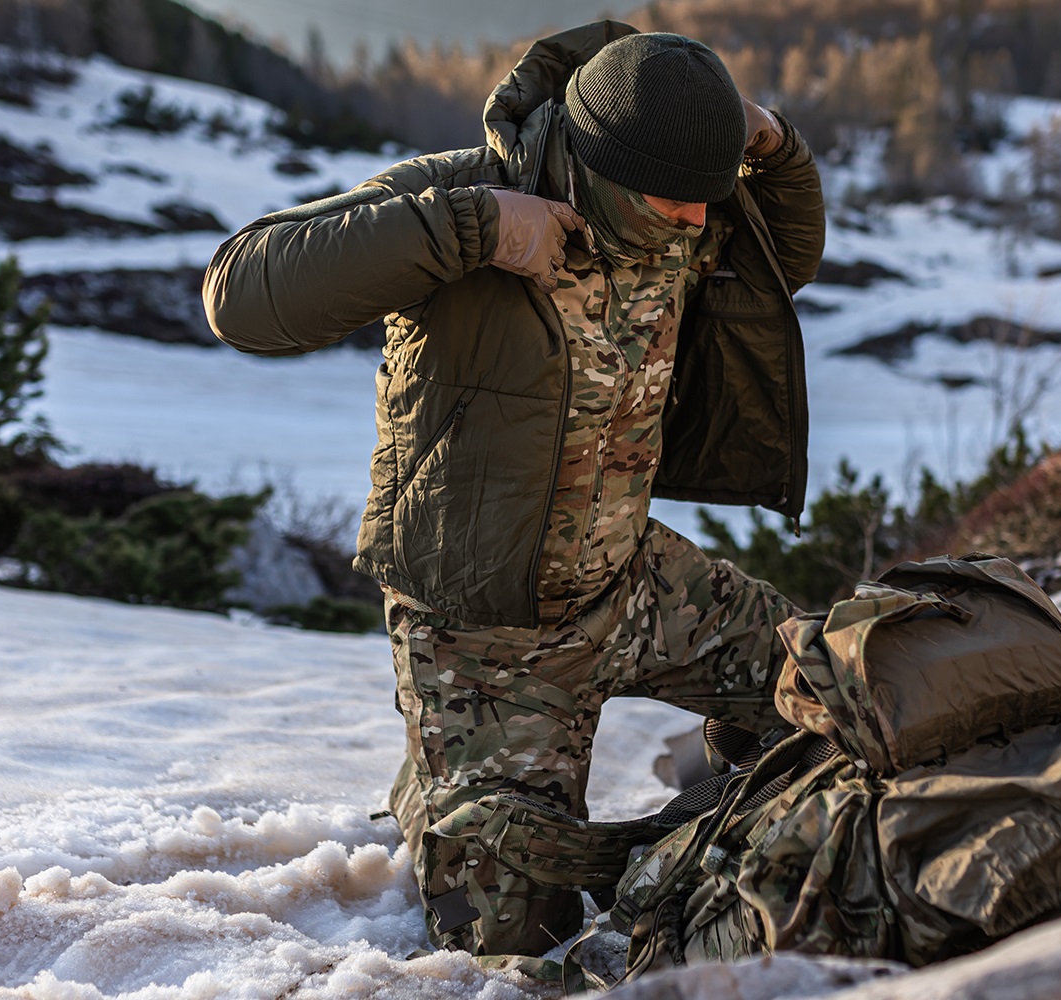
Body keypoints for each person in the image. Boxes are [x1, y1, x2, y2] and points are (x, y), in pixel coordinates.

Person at [201, 21, 825, 958]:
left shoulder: (682, 198)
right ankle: (447, 782)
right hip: (484, 636)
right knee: (516, 943)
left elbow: (790, 259)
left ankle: (710, 801)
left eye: (711, 199)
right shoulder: (462, 196)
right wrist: (475, 230)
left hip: (632, 586)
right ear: (601, 164)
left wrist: (771, 145)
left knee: (836, 691)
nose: (699, 224)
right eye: (674, 203)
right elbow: (238, 291)